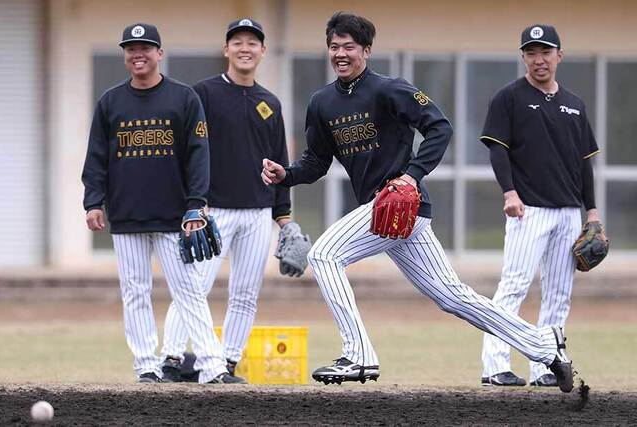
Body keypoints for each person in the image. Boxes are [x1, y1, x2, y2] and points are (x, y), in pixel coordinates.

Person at [261, 12, 575, 393]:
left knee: (324, 254)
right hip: (383, 214)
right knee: (454, 297)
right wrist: (287, 174)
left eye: (349, 46)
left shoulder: (388, 89)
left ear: (366, 50)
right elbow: (317, 161)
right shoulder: (322, 102)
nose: (340, 53)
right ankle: (543, 344)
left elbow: (439, 126)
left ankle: (358, 353)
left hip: (403, 206)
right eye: (334, 46)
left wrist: (411, 175)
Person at [81, 23, 244, 384]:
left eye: (145, 48)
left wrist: (196, 204)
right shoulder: (111, 102)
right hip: (126, 215)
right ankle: (146, 367)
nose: (138, 54)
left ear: (159, 53)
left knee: (189, 292)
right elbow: (96, 158)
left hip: (175, 217)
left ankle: (211, 367)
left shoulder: (184, 98)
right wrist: (93, 202)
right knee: (135, 293)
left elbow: (199, 156)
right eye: (131, 49)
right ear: (125, 55)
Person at [159, 18, 307, 382]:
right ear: (226, 49)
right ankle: (172, 359)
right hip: (212, 210)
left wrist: (284, 218)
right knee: (193, 287)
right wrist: (191, 203)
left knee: (245, 293)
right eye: (237, 42)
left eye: (252, 42)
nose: (245, 48)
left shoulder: (269, 103)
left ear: (262, 51)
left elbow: (279, 166)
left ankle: (226, 363)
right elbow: (185, 152)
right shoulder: (203, 95)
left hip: (257, 213)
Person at [479, 24, 600, 387]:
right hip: (527, 208)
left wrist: (591, 211)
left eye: (545, 52)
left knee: (559, 294)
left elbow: (584, 162)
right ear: (523, 58)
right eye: (531, 52)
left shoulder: (575, 105)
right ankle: (495, 365)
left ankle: (547, 364)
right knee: (514, 286)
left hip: (567, 212)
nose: (538, 59)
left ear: (559, 56)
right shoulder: (509, 97)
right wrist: (509, 192)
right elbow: (498, 149)